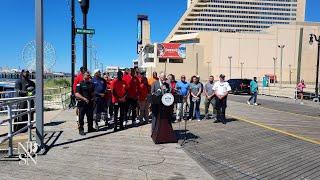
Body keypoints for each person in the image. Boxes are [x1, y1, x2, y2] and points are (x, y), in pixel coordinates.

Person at [75, 71, 95, 135]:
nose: (89, 76)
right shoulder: (80, 84)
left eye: (89, 75)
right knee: (81, 117)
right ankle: (81, 129)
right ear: (84, 76)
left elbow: (93, 92)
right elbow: (77, 94)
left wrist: (93, 98)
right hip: (82, 104)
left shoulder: (91, 84)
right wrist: (84, 98)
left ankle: (90, 128)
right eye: (87, 75)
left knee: (90, 117)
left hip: (90, 103)